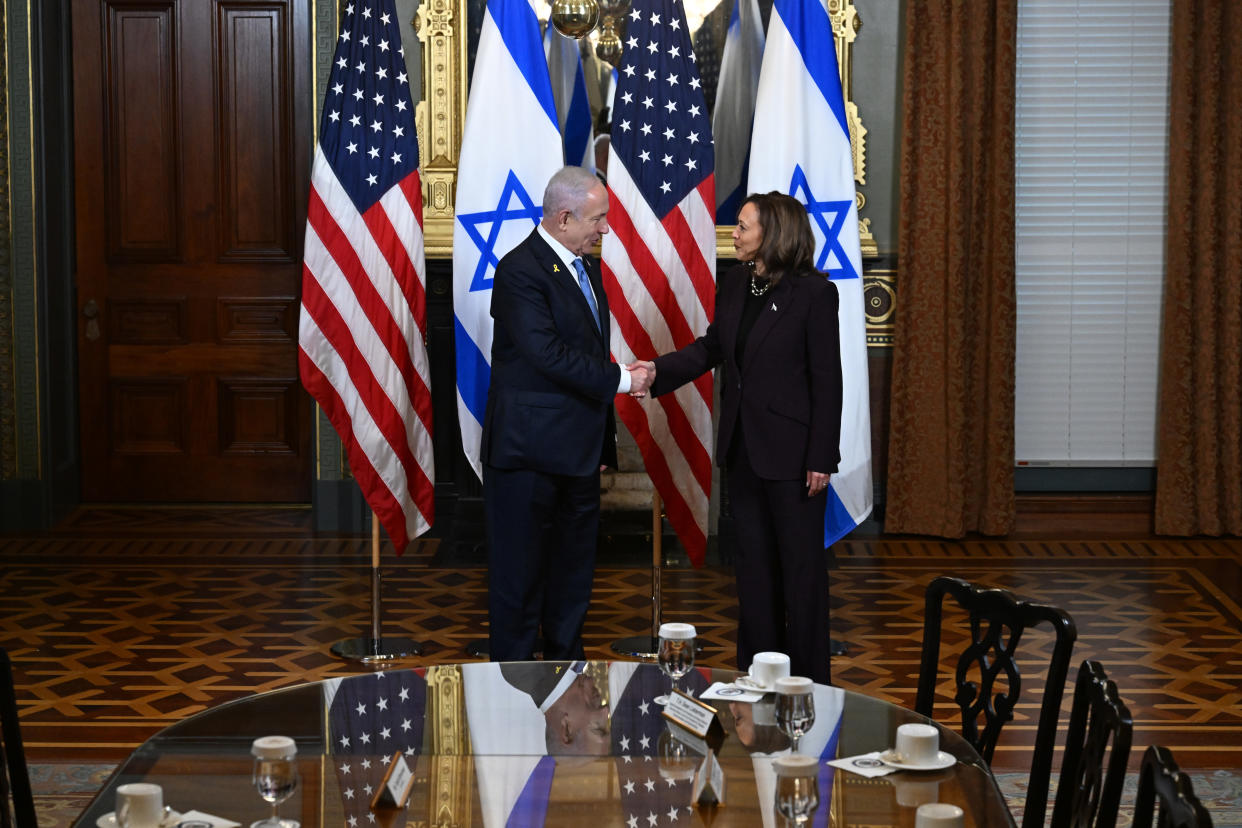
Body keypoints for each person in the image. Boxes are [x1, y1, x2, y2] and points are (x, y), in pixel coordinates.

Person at [638, 192, 843, 684]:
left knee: (800, 578)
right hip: (745, 451)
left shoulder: (814, 293)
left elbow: (828, 380)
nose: (735, 232)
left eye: (744, 225)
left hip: (795, 458)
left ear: (773, 234)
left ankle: (809, 683)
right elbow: (712, 347)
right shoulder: (736, 284)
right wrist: (656, 371)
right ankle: (757, 679)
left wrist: (821, 456)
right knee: (753, 575)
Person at [482, 165, 654, 662]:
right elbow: (548, 356)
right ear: (563, 218)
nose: (605, 229)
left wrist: (600, 446)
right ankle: (511, 697)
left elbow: (587, 351)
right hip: (527, 457)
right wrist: (624, 378)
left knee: (572, 579)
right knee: (518, 585)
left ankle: (565, 681)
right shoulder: (520, 270)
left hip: (577, 456)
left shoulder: (585, 267)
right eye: (597, 219)